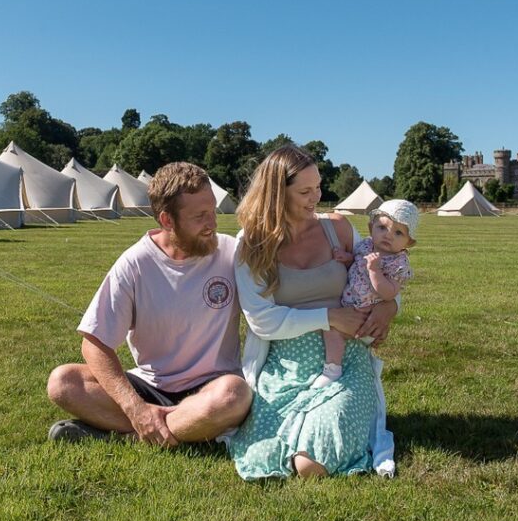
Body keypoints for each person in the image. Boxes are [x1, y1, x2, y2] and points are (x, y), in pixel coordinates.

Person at [46, 162, 252, 446]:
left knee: (234, 395)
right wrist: (135, 407)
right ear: (167, 220)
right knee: (63, 382)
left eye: (213, 212)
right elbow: (94, 342)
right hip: (150, 387)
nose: (213, 224)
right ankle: (179, 429)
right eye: (200, 216)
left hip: (213, 387)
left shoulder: (230, 253)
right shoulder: (135, 264)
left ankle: (130, 436)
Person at [227, 144, 397, 479]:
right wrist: (329, 317)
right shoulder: (253, 244)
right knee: (272, 454)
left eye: (318, 187)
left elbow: (380, 276)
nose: (315, 197)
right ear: (276, 194)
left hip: (346, 360)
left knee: (309, 464)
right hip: (284, 365)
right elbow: (262, 319)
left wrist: (390, 307)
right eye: (304, 191)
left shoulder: (339, 229)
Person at [313, 199, 418, 388]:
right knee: (331, 323)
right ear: (371, 229)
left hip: (366, 315)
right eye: (382, 228)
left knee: (332, 330)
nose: (388, 236)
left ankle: (332, 370)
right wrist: (347, 258)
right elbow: (357, 260)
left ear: (408, 243)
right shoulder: (366, 246)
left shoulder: (397, 264)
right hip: (351, 304)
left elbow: (389, 293)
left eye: (398, 233)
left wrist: (375, 271)